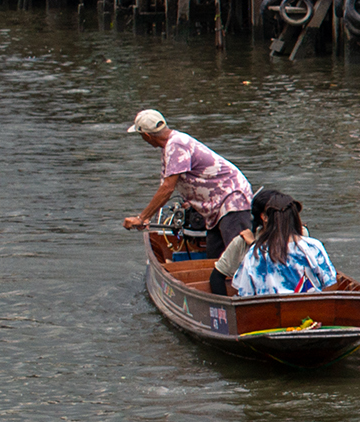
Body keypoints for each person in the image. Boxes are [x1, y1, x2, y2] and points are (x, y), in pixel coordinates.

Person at [121, 109, 253, 253]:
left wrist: (142, 218)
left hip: (231, 199)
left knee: (238, 255)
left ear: (146, 135)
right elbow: (167, 185)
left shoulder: (176, 144)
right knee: (217, 258)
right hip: (216, 205)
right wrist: (148, 217)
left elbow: (167, 188)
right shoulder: (170, 145)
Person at [225, 188, 338, 297]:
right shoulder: (313, 247)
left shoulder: (254, 253)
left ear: (266, 218)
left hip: (267, 313)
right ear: (295, 217)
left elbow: (244, 293)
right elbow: (331, 284)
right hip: (310, 314)